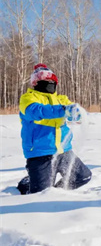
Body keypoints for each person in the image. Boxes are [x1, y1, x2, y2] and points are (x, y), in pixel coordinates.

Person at [17, 63, 92, 194]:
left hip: (64, 151)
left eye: (52, 81)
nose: (50, 83)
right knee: (41, 194)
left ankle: (56, 192)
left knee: (83, 176)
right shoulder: (28, 99)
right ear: (35, 82)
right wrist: (63, 110)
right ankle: (28, 184)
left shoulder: (61, 99)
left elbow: (75, 114)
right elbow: (37, 111)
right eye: (45, 81)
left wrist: (78, 114)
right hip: (41, 154)